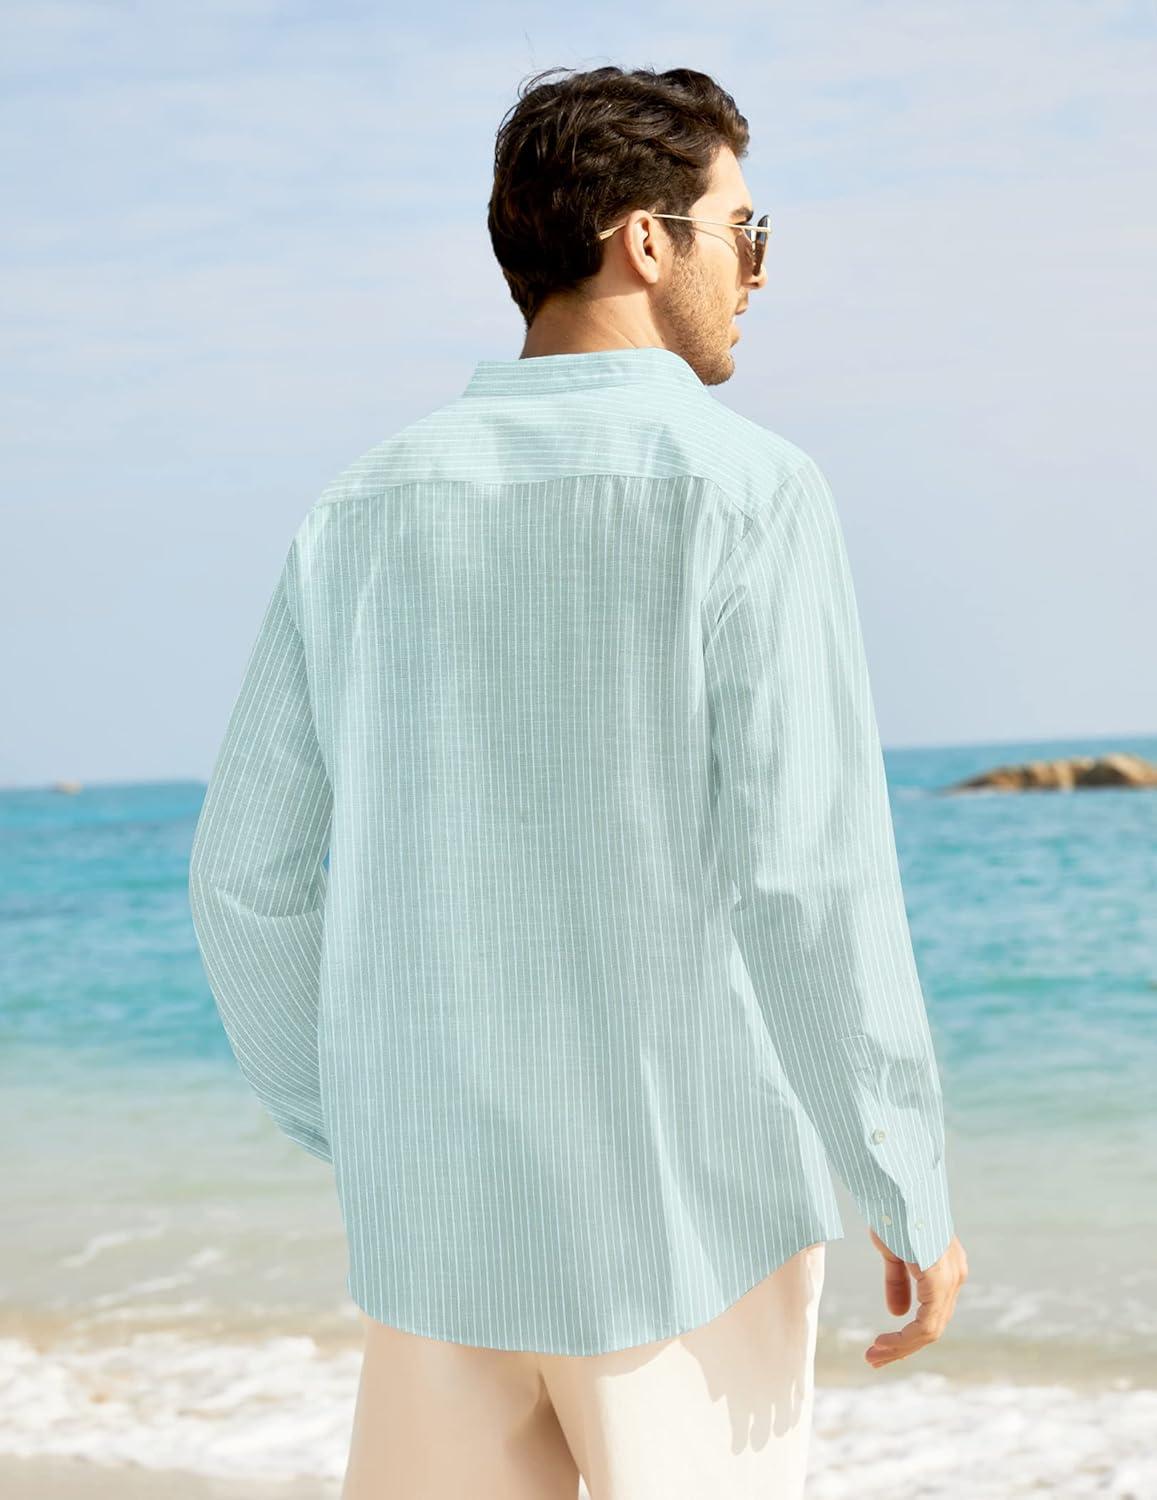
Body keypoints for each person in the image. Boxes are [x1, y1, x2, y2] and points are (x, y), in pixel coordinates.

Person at [188, 63, 968, 1499]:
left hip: (437, 1229)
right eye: (745, 229)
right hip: (688, 1227)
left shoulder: (361, 507)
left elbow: (243, 880)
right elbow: (806, 882)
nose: (755, 270)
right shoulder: (746, 490)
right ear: (645, 239)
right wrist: (900, 1178)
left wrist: (358, 1125)